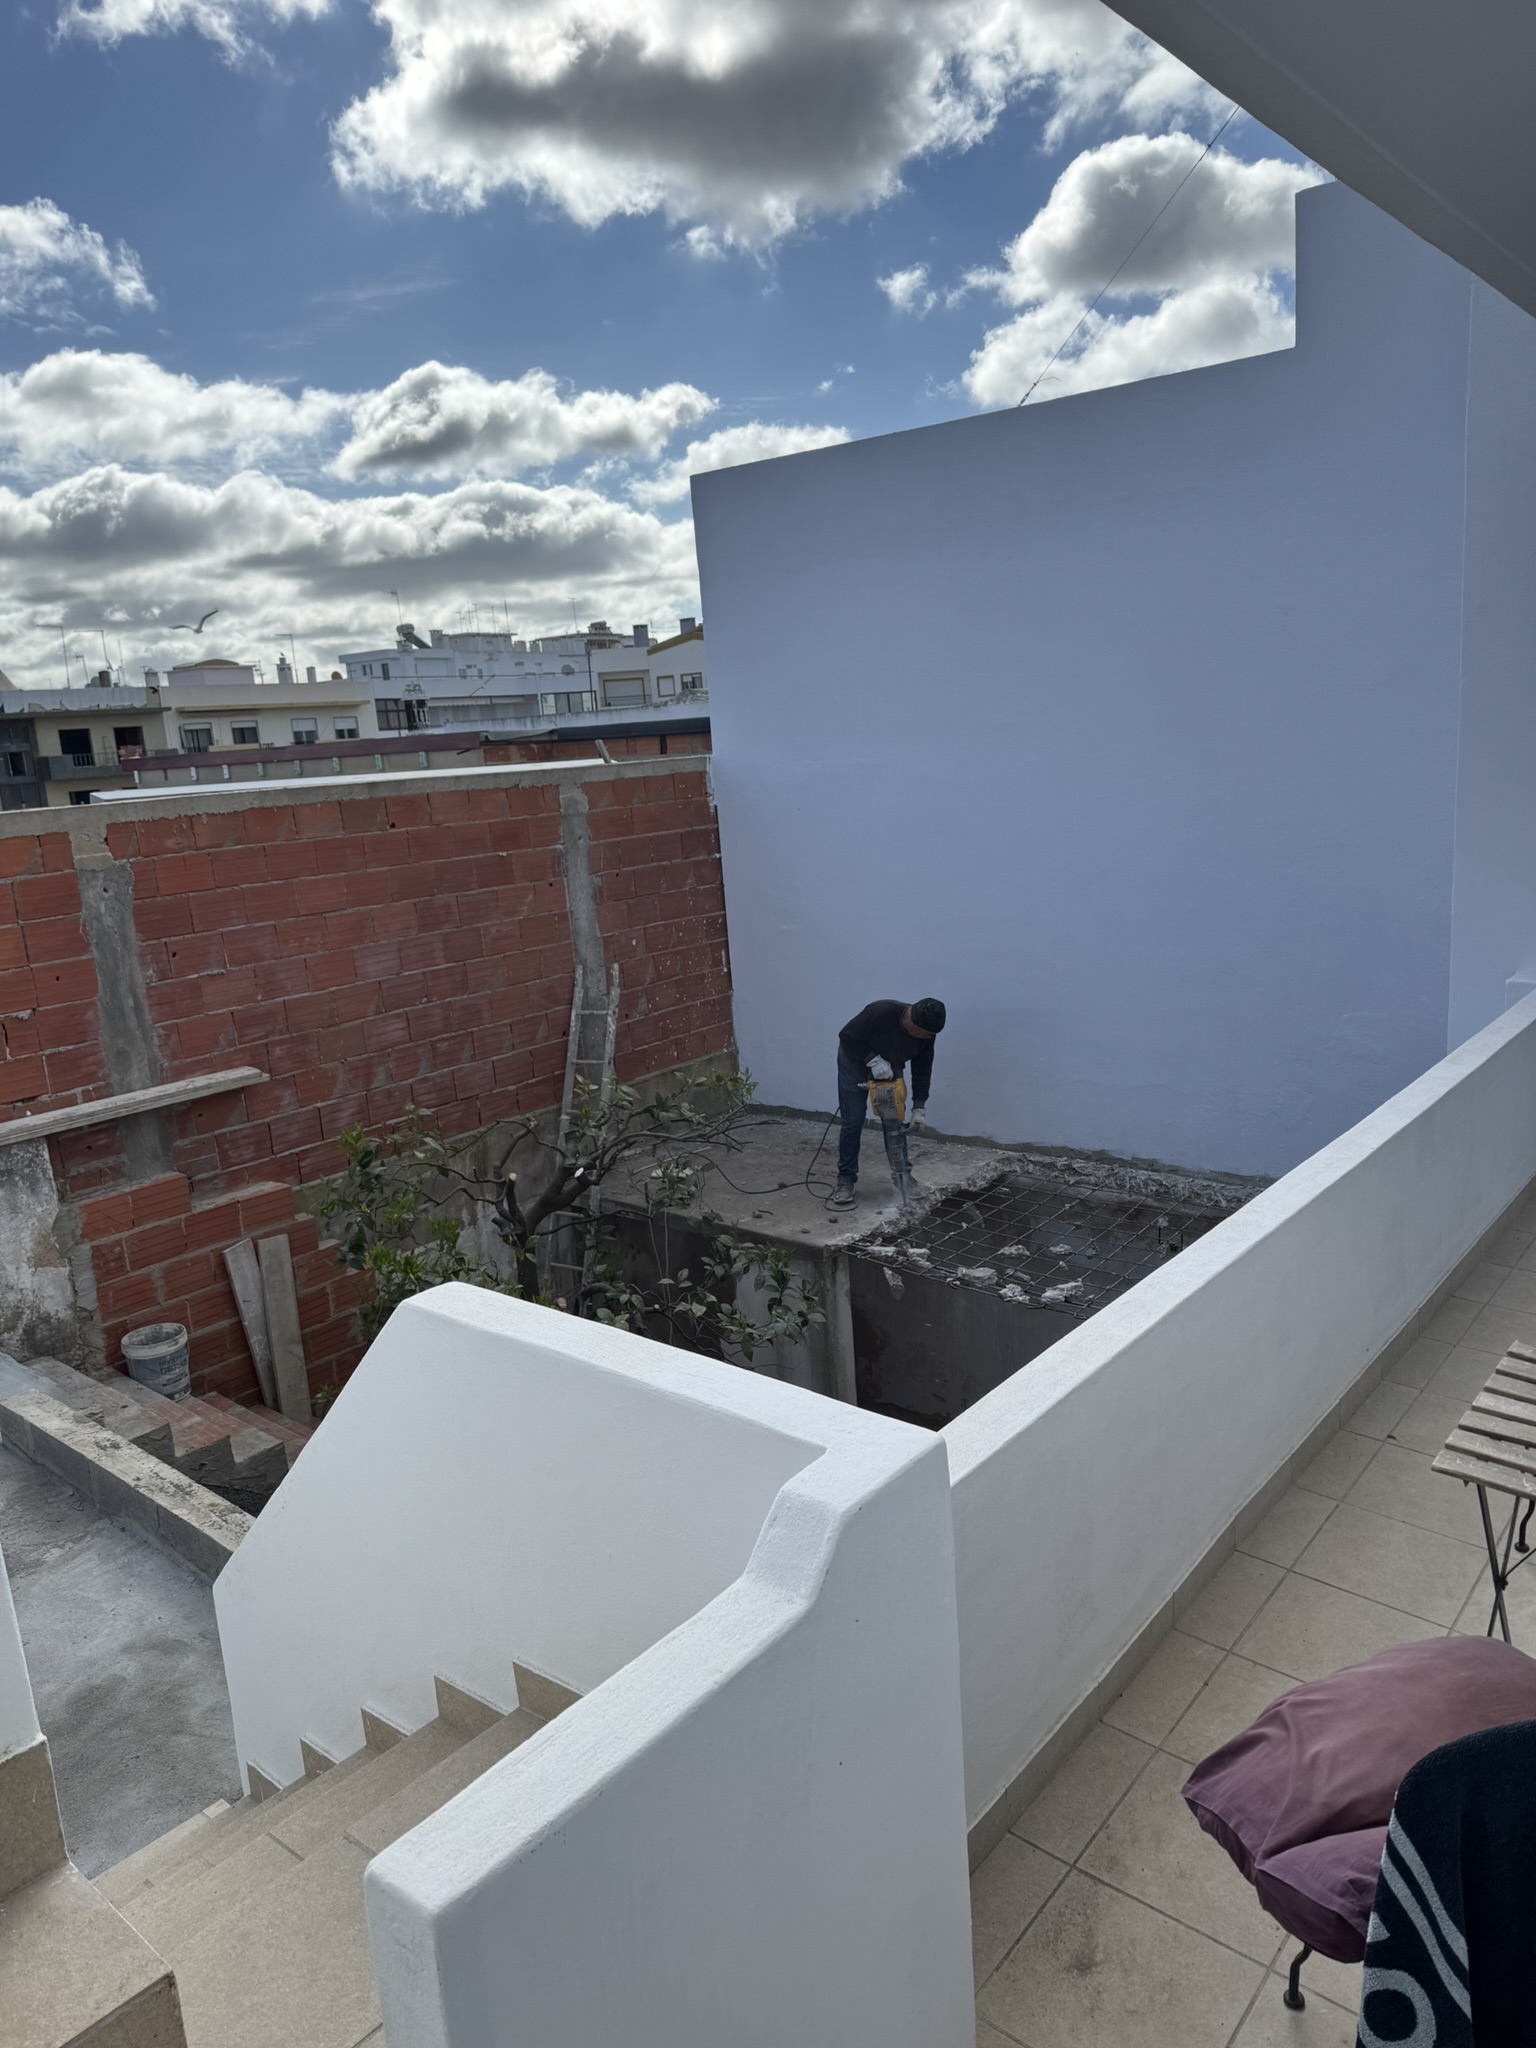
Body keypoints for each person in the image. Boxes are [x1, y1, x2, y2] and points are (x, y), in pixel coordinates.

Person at [828, 997, 946, 1206]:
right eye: (923, 1033)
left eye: (929, 1035)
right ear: (910, 1019)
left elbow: (922, 1070)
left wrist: (919, 1107)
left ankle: (902, 1176)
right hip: (854, 1065)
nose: (925, 1038)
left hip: (889, 1069)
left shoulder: (927, 1035)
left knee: (893, 1122)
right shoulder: (880, 1013)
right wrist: (872, 1059)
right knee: (853, 1122)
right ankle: (845, 1179)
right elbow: (847, 1036)